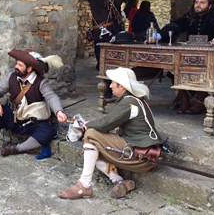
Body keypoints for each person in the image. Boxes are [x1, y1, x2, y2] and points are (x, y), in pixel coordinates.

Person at [58, 67, 162, 199]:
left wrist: (86, 125)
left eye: (113, 82)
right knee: (92, 150)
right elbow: (108, 122)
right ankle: (118, 180)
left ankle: (84, 185)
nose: (111, 85)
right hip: (138, 151)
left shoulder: (129, 103)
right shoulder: (133, 100)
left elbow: (105, 124)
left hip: (142, 156)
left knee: (91, 134)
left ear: (122, 86)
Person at [0, 49, 68, 163]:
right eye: (17, 63)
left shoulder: (41, 82)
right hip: (13, 118)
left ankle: (16, 149)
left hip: (32, 122)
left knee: (47, 131)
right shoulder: (12, 77)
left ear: (29, 69)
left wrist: (59, 111)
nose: (16, 66)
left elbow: (51, 97)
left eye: (20, 65)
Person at [159, 0, 214, 114]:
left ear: (209, 6)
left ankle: (200, 102)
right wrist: (158, 35)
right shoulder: (190, 16)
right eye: (196, 2)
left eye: (202, 2)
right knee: (176, 69)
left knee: (204, 71)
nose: (198, 5)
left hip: (208, 56)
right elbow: (175, 25)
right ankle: (184, 100)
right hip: (190, 54)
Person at [80, 0, 135, 71]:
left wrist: (124, 13)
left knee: (117, 60)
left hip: (117, 30)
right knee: (101, 60)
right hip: (100, 32)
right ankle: (105, 82)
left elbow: (131, 1)